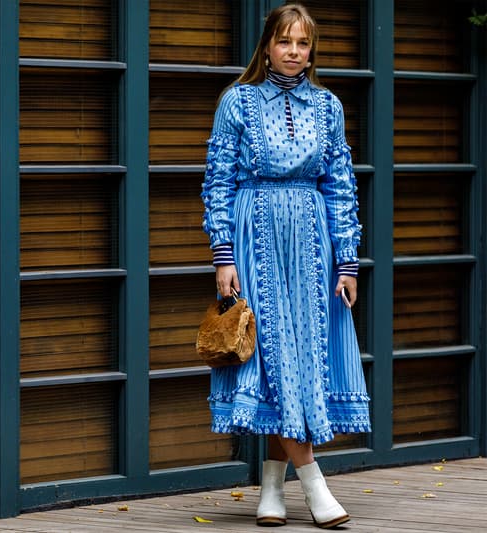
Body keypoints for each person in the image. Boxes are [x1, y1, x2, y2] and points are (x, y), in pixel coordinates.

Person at [201, 4, 371, 529]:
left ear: (311, 49)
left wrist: (348, 262)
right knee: (272, 359)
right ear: (267, 46)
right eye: (284, 42)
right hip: (256, 236)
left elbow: (341, 186)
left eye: (303, 43)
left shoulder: (328, 105)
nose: (294, 52)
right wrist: (224, 256)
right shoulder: (238, 101)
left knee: (302, 357)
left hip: (313, 241)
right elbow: (217, 182)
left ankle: (273, 486)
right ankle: (315, 484)